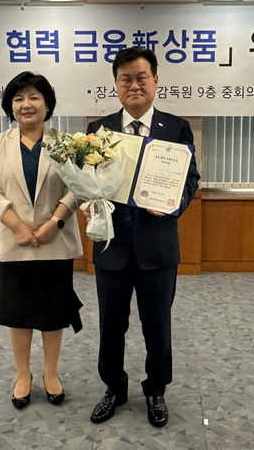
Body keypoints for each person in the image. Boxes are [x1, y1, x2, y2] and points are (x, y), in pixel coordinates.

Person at [86, 47, 200, 427]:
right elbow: (86, 180)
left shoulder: (176, 127)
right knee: (110, 326)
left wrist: (173, 204)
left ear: (155, 81)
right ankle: (113, 388)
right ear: (116, 85)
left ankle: (156, 390)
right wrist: (88, 202)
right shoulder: (98, 130)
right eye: (125, 79)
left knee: (158, 326)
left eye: (141, 78)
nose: (134, 85)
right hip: (112, 246)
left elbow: (190, 178)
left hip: (158, 247)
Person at [0, 71, 83, 410]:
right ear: (11, 107)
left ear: (47, 104)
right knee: (18, 311)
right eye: (19, 98)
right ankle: (23, 375)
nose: (27, 104)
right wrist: (17, 227)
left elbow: (77, 188)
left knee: (53, 311)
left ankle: (51, 373)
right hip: (14, 243)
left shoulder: (64, 143)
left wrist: (55, 222)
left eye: (34, 97)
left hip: (55, 241)